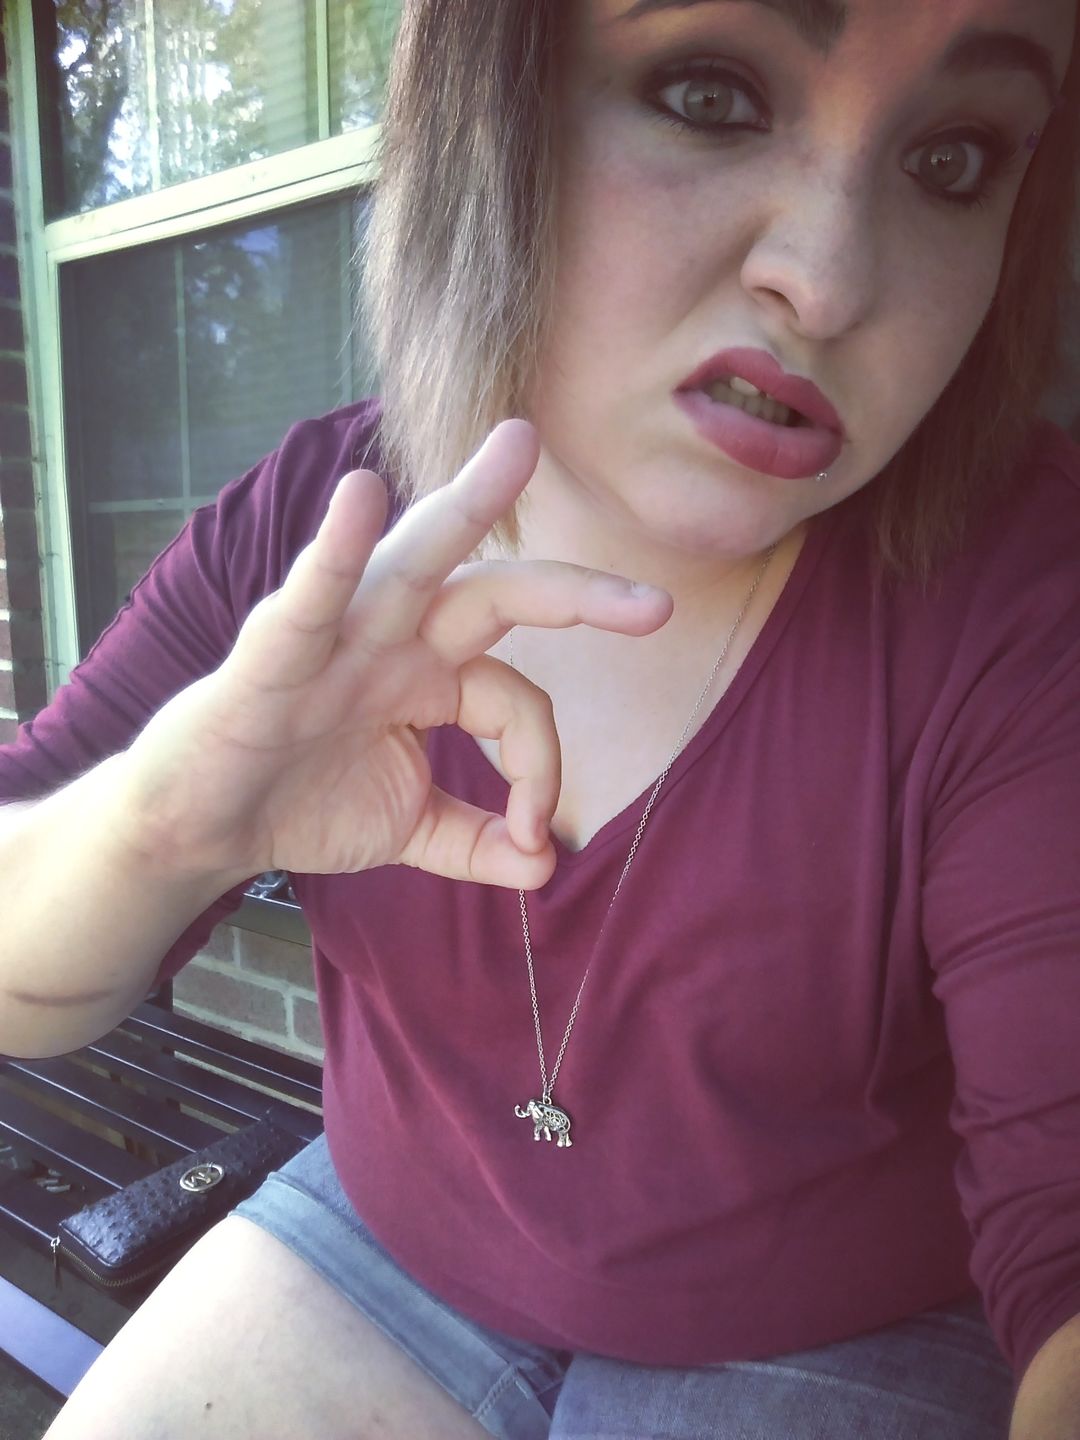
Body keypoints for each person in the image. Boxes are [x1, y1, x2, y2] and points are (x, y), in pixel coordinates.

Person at [1, 0, 1078, 1435]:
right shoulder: (319, 532)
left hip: (844, 1320)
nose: (828, 282)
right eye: (710, 94)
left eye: (953, 160)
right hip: (389, 1236)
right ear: (490, 114)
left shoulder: (1025, 597)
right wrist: (171, 827)